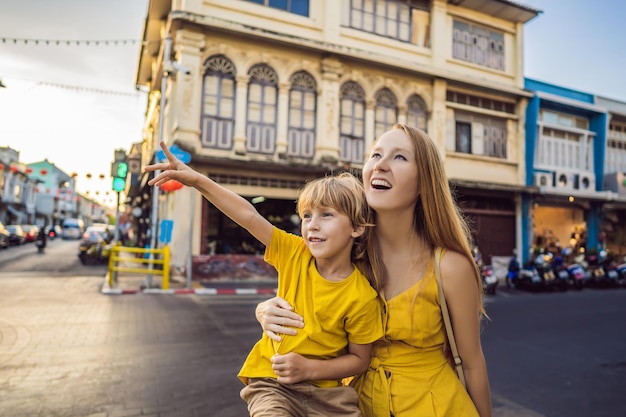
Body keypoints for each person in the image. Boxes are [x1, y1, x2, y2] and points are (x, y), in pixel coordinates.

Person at [256, 124, 492, 417]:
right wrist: (266, 310)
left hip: (436, 406)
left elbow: (471, 363)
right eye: (375, 155)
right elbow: (307, 303)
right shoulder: (347, 252)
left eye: (399, 158)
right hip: (355, 405)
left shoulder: (450, 266)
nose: (380, 165)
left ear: (424, 183)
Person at [145, 141, 384, 417]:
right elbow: (248, 215)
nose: (312, 224)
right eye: (307, 215)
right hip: (273, 384)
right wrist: (197, 180)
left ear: (356, 227)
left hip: (329, 396)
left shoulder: (362, 296)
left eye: (326, 215)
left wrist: (309, 369)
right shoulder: (294, 252)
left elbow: (358, 360)